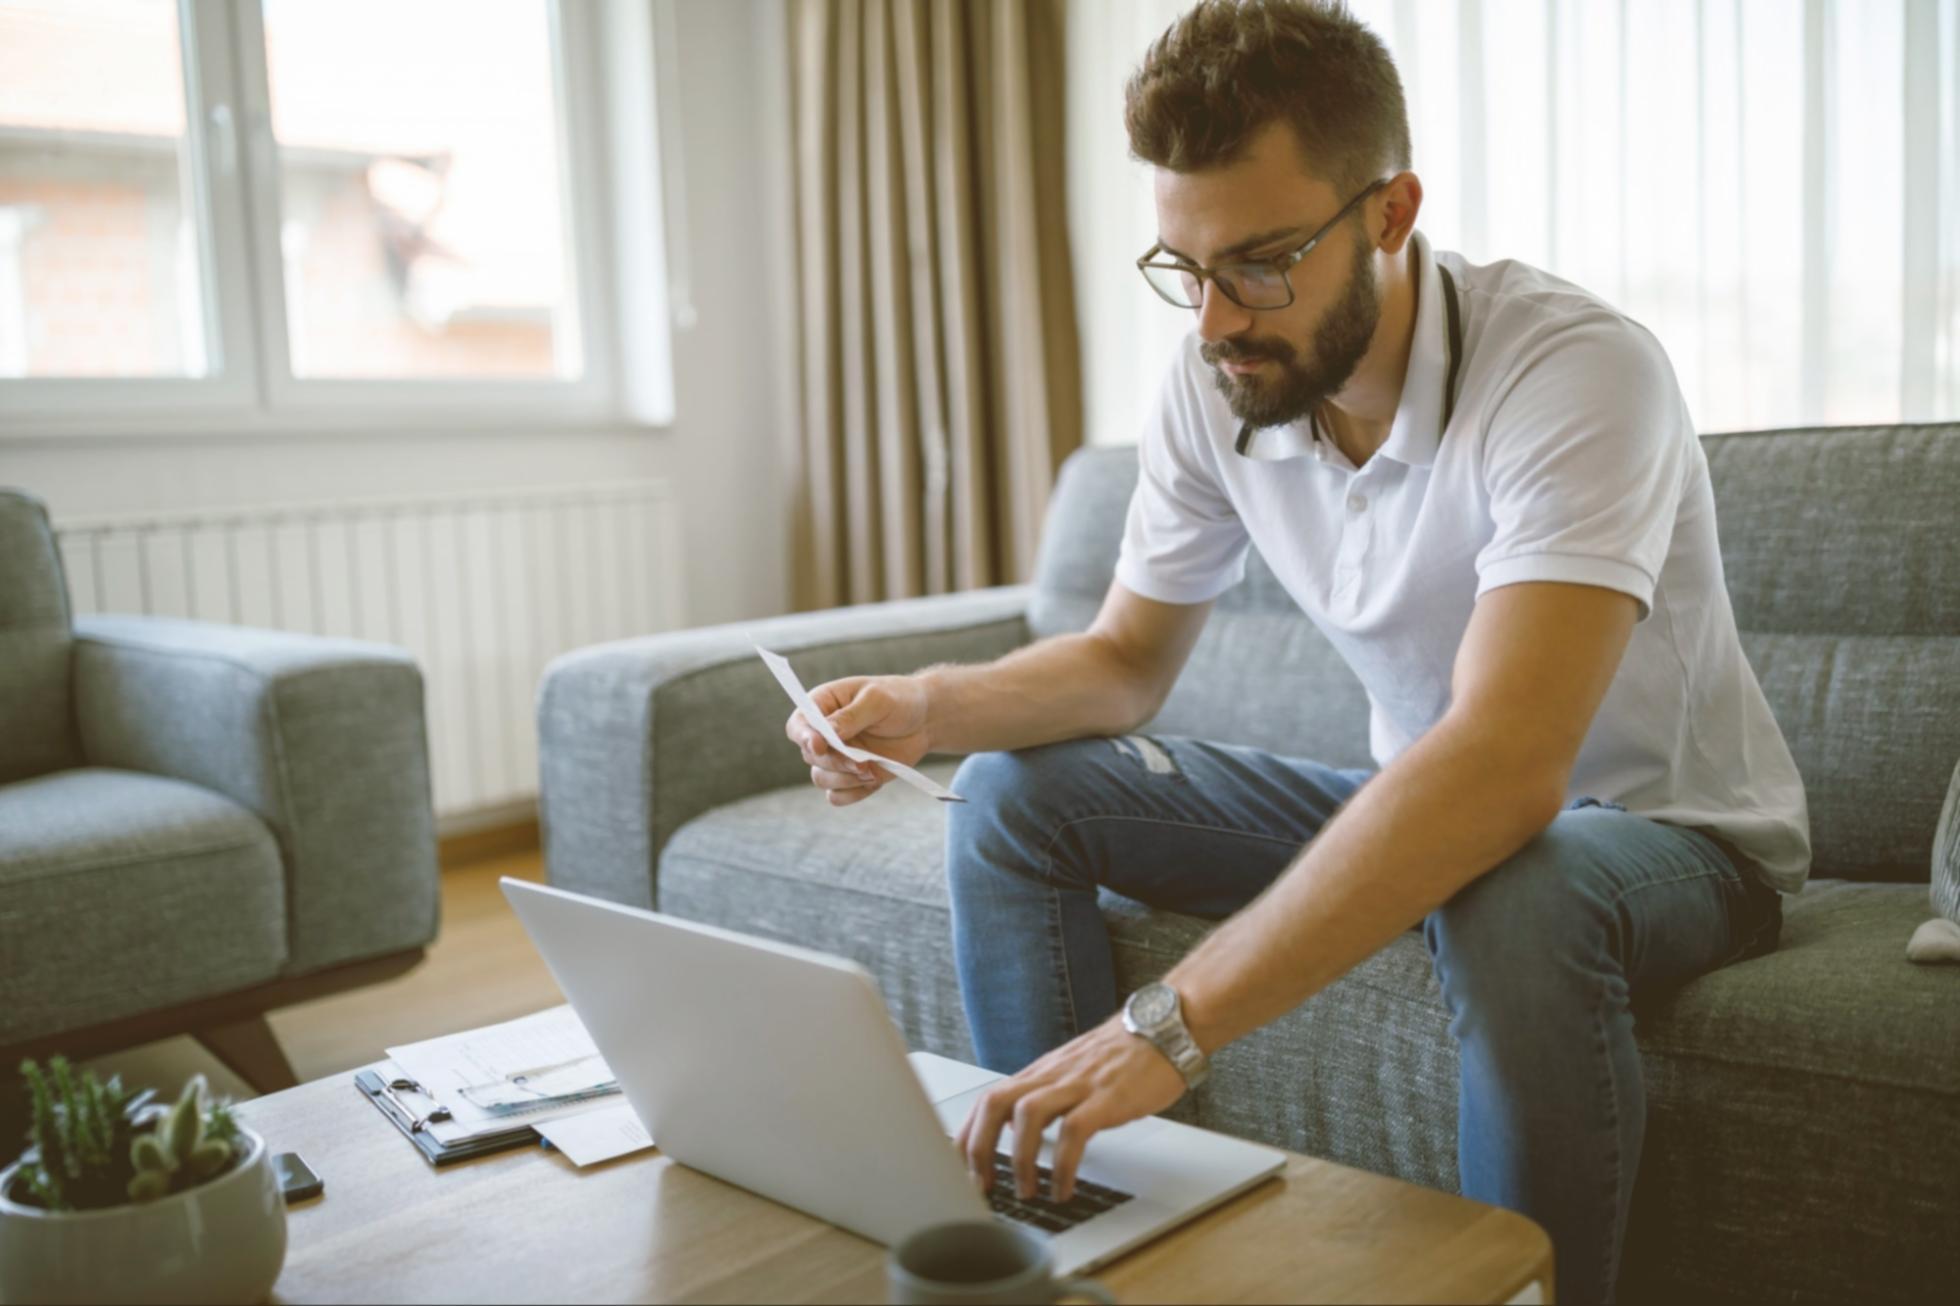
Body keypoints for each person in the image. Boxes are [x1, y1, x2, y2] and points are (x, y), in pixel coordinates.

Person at [782, 2, 1807, 1301]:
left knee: (1519, 879)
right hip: (1430, 805)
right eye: (1184, 268)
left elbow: (1504, 769)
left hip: (1667, 840)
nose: (1214, 321)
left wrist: (1171, 1022)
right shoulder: (1219, 378)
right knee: (1013, 793)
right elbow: (1121, 662)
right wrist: (928, 708)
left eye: (1261, 262)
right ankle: (1065, 1248)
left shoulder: (1572, 372)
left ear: (1389, 212)